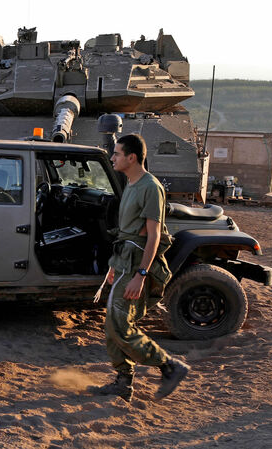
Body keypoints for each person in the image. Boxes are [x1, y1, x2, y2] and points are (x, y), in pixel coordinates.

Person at [92, 134, 189, 402]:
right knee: (112, 324)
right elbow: (126, 234)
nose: (113, 158)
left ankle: (169, 365)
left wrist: (142, 275)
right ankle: (124, 381)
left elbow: (154, 235)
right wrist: (114, 266)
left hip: (136, 265)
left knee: (121, 324)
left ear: (131, 157)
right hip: (123, 262)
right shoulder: (132, 183)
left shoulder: (150, 187)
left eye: (117, 153)